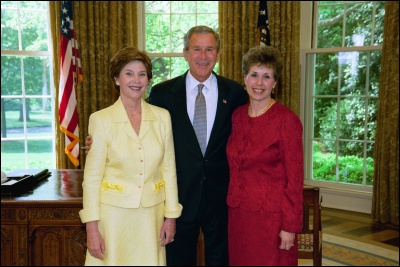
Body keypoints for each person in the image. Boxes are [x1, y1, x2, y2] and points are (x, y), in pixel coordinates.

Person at [85, 26, 248, 265]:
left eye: (209, 49)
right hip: (178, 200)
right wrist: (94, 143)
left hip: (220, 198)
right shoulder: (163, 94)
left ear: (219, 53)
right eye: (196, 49)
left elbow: (248, 134)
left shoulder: (234, 93)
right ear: (185, 53)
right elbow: (132, 131)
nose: (203, 56)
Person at [79, 47, 182, 266]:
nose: (136, 80)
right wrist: (92, 227)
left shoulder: (162, 117)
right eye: (129, 73)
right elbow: (92, 179)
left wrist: (171, 216)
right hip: (113, 218)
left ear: (148, 79)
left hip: (151, 218)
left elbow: (169, 170)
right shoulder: (100, 120)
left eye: (142, 74)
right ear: (116, 78)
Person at [226, 45, 304, 266]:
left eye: (266, 76)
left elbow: (295, 179)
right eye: (254, 75)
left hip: (271, 219)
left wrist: (289, 227)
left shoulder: (287, 120)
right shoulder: (237, 116)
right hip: (238, 216)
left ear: (275, 83)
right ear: (245, 78)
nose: (259, 83)